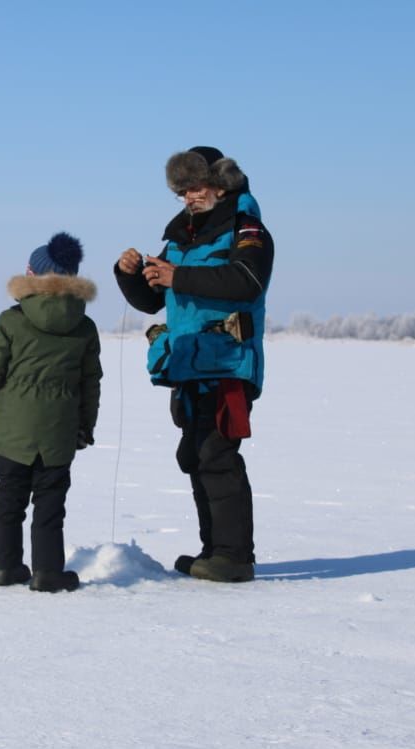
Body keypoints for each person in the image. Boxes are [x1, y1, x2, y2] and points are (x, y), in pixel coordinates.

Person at [114, 147, 274, 583]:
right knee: (195, 457)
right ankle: (214, 550)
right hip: (188, 364)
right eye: (182, 191)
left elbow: (247, 281)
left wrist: (176, 276)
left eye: (196, 188)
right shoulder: (182, 237)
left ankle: (234, 557)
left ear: (222, 184)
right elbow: (153, 301)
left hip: (227, 364)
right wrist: (131, 274)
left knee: (217, 456)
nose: (188, 197)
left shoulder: (247, 228)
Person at [0, 232, 102, 593]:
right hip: (58, 431)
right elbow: (90, 384)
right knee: (50, 503)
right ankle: (48, 573)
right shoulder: (84, 326)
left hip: (12, 432)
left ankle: (6, 568)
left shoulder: (11, 320)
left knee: (9, 498)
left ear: (33, 276)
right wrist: (85, 427)